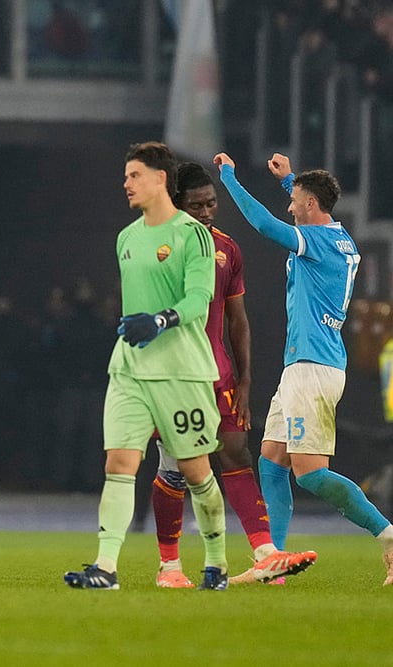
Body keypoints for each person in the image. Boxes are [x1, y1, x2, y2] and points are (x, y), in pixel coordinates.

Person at [215, 150, 393, 586]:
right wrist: (289, 179)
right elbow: (304, 210)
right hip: (306, 367)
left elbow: (263, 226)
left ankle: (388, 534)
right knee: (271, 463)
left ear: (310, 205)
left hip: (313, 369)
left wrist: (229, 180)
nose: (289, 206)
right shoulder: (339, 239)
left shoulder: (317, 242)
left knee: (309, 473)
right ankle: (272, 563)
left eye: (294, 200)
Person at [64, 141, 229, 591]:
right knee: (119, 462)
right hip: (131, 369)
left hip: (182, 372)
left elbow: (199, 300)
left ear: (161, 179)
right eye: (125, 176)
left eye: (134, 175)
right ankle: (106, 567)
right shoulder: (127, 237)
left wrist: (159, 320)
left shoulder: (191, 234)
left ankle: (216, 559)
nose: (126, 184)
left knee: (196, 472)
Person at [147, 162, 274, 588]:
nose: (206, 212)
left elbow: (238, 320)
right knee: (175, 469)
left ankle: (265, 553)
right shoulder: (157, 246)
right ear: (177, 203)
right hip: (173, 375)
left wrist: (245, 378)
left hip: (217, 373)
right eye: (196, 204)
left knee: (237, 452)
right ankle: (170, 566)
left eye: (211, 203)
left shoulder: (228, 249)